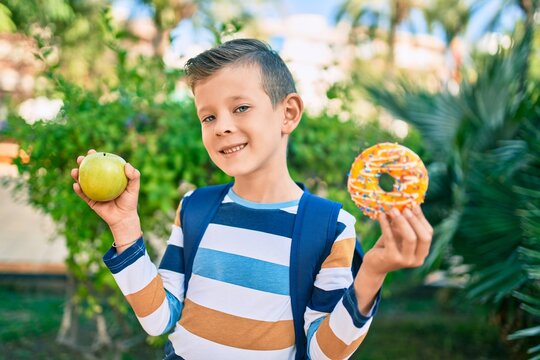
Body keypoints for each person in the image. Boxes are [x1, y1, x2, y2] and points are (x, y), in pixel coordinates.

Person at [71, 38, 433, 360]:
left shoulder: (330, 227)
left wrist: (372, 272)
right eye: (208, 116)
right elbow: (158, 319)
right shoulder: (195, 207)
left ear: (288, 113)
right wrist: (124, 227)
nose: (222, 126)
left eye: (240, 108)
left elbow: (323, 353)